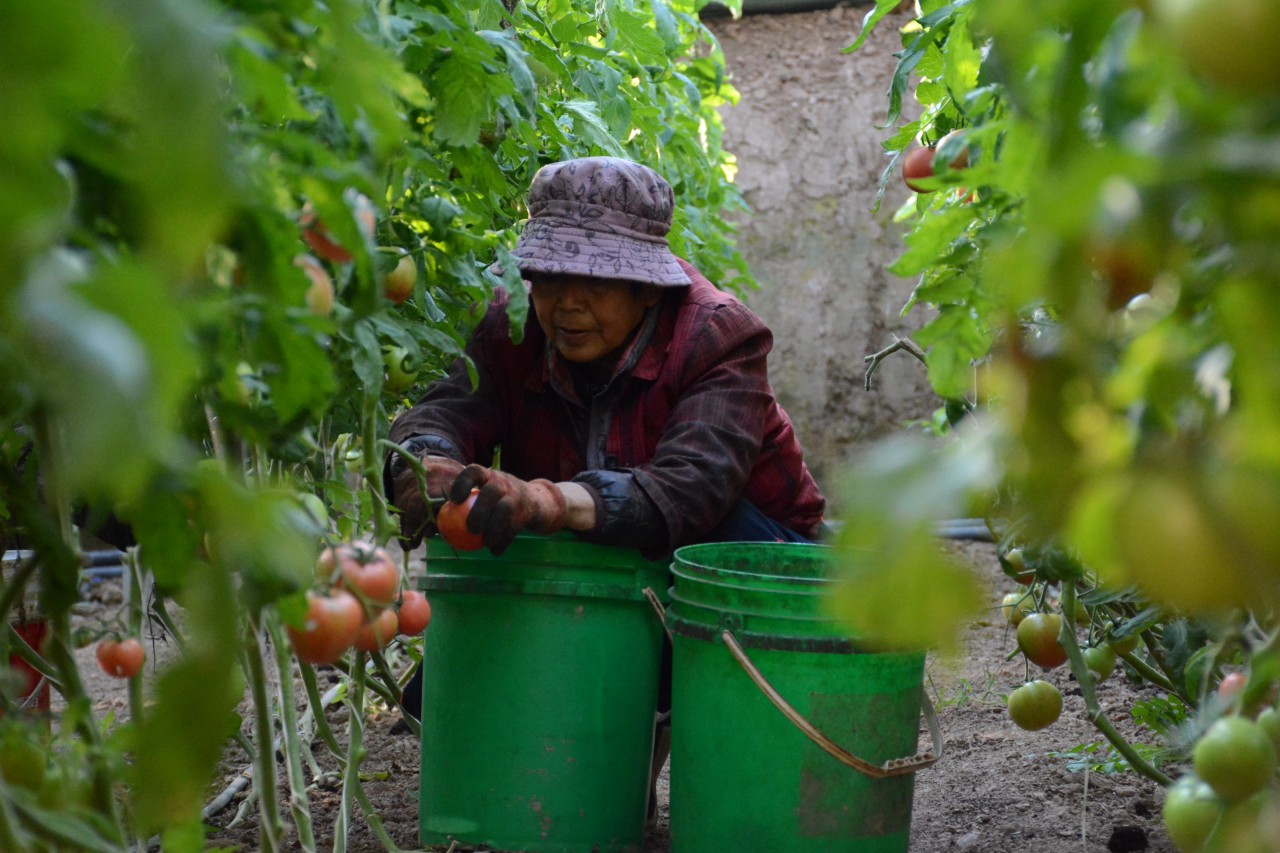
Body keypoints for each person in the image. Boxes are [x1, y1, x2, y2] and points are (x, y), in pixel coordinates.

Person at [385, 155, 825, 813]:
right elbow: (443, 409)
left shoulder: (717, 336)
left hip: (755, 576)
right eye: (551, 276)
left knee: (694, 547)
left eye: (596, 280)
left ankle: (648, 743)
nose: (567, 302)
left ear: (650, 287)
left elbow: (692, 487)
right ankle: (593, 764)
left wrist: (551, 499)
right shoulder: (513, 326)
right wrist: (428, 468)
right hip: (609, 557)